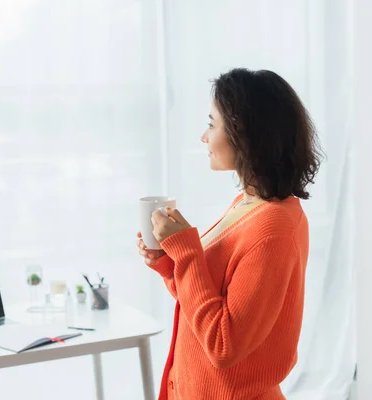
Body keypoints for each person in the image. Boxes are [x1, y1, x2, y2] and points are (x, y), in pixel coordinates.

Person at [136, 68, 323, 400]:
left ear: (245, 133)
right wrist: (170, 263)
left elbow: (224, 344)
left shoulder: (274, 229)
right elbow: (207, 304)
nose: (203, 138)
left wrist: (188, 251)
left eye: (211, 124)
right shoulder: (247, 204)